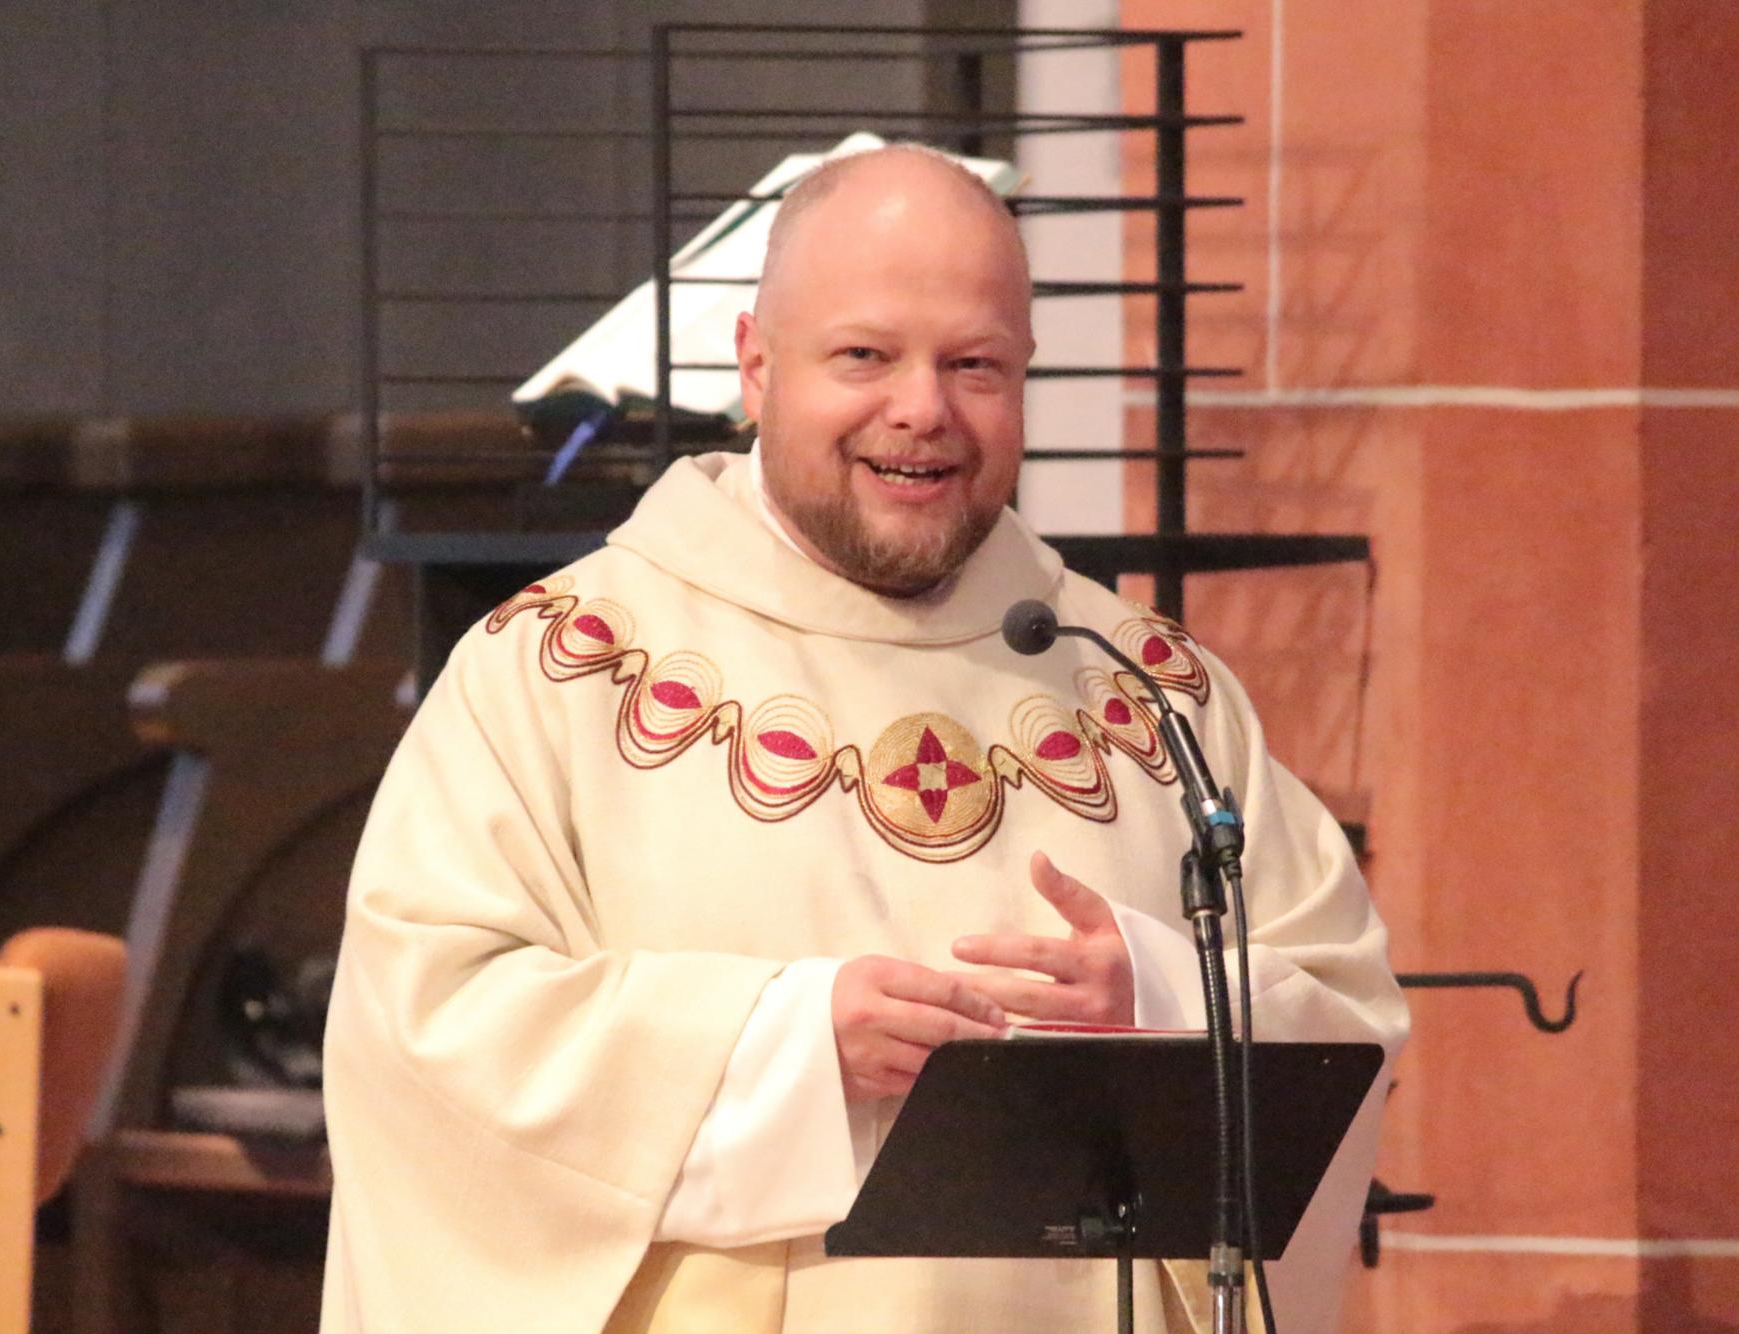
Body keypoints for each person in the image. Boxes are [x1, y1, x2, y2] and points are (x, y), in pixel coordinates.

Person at [320, 145, 1407, 1333]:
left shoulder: (1147, 686)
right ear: (755, 364)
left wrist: (1163, 993)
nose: (921, 409)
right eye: (864, 355)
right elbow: (424, 1032)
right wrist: (790, 1041)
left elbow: (1342, 1015)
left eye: (974, 365)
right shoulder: (559, 668)